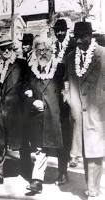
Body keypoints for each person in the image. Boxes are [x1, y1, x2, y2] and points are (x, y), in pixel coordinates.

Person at [64, 21, 105, 199]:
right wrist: (68, 99)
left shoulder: (103, 55)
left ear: (91, 36)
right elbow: (65, 82)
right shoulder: (70, 57)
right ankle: (91, 186)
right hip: (78, 113)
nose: (79, 41)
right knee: (87, 151)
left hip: (98, 111)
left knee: (95, 152)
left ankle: (93, 188)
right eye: (76, 37)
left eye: (83, 37)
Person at [0, 35, 29, 187]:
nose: (6, 51)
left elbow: (27, 84)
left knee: (21, 140)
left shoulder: (21, 64)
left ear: (13, 48)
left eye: (9, 47)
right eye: (3, 48)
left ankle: (26, 168)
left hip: (16, 108)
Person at [24, 35, 64, 195]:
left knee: (61, 147)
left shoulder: (60, 68)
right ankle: (37, 180)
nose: (42, 53)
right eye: (39, 50)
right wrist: (32, 100)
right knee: (40, 148)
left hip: (56, 116)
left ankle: (63, 172)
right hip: (38, 116)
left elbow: (66, 90)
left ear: (51, 51)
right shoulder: (31, 70)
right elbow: (25, 90)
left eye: (46, 50)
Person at [52, 18, 77, 186]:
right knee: (61, 130)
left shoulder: (73, 45)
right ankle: (64, 165)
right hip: (55, 93)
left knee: (69, 129)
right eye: (57, 30)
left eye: (62, 30)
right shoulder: (52, 47)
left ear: (67, 30)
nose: (60, 33)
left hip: (71, 93)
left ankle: (65, 167)